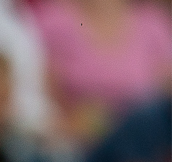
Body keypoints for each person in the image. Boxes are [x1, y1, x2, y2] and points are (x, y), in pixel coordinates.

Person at [32, 0, 172, 143]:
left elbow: (166, 96)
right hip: (79, 143)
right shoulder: (54, 22)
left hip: (145, 141)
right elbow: (41, 98)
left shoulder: (154, 24)